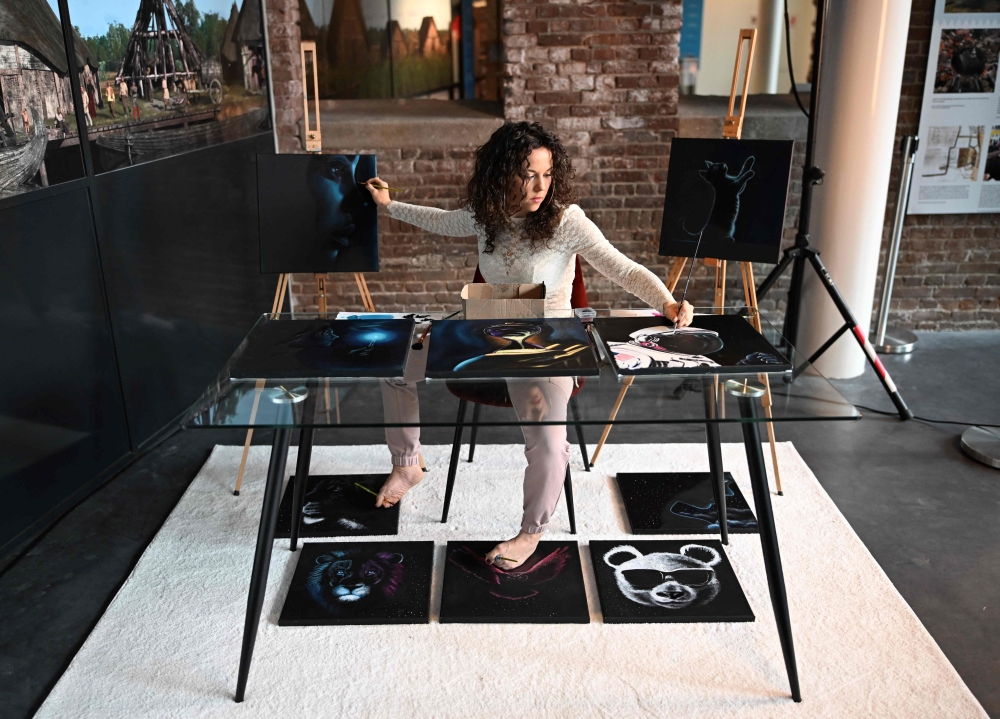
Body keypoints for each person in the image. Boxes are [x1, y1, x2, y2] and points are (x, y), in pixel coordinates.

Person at [364, 122, 693, 570]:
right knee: (394, 362)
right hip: (486, 317)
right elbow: (439, 220)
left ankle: (531, 532)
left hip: (548, 334)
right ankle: (407, 463)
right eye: (528, 175)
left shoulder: (566, 220)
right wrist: (388, 205)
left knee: (550, 442)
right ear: (502, 174)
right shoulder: (486, 213)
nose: (540, 187)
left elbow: (625, 269)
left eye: (547, 174)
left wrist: (667, 302)